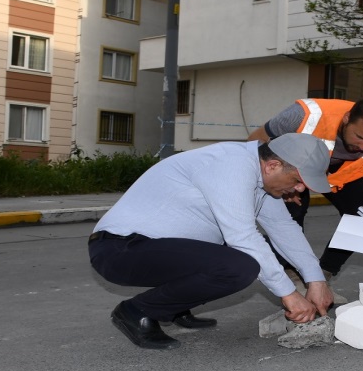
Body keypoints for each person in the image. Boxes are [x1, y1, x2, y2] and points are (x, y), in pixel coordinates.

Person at [88, 133, 334, 350]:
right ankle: (137, 311)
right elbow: (242, 235)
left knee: (246, 256)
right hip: (120, 249)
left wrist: (316, 280)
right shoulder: (230, 163)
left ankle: (174, 306)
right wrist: (289, 294)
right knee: (240, 265)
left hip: (154, 248)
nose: (301, 189)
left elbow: (283, 228)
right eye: (297, 180)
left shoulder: (261, 179)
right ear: (273, 165)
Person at [247, 98, 363, 282]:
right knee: (292, 214)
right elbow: (255, 140)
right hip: (298, 167)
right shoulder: (303, 116)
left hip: (343, 173)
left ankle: (323, 275)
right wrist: (280, 181)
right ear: (347, 118)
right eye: (360, 137)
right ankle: (289, 274)